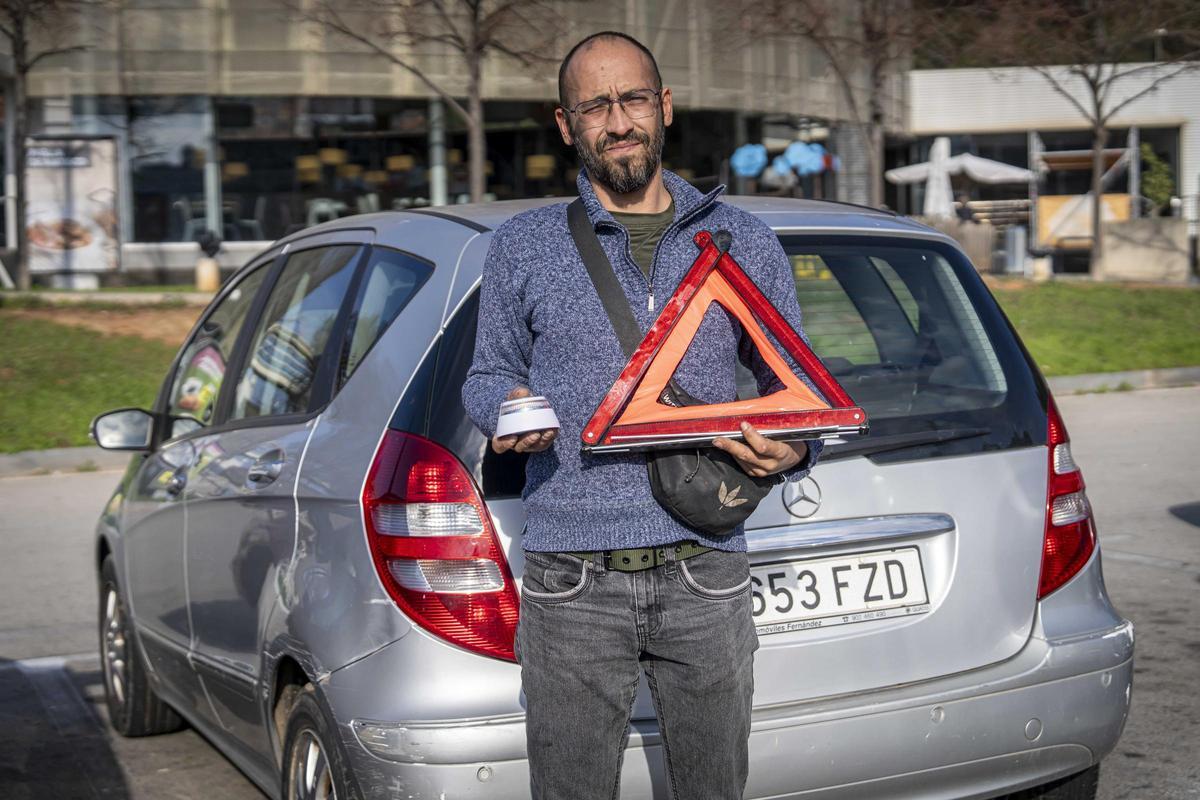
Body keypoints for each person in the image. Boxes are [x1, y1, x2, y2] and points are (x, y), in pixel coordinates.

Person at [461, 31, 824, 800]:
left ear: (664, 107)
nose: (617, 121)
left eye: (631, 99)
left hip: (707, 570)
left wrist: (796, 446)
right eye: (595, 105)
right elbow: (488, 372)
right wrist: (504, 409)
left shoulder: (744, 244)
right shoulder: (522, 248)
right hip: (570, 585)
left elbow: (796, 389)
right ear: (567, 124)